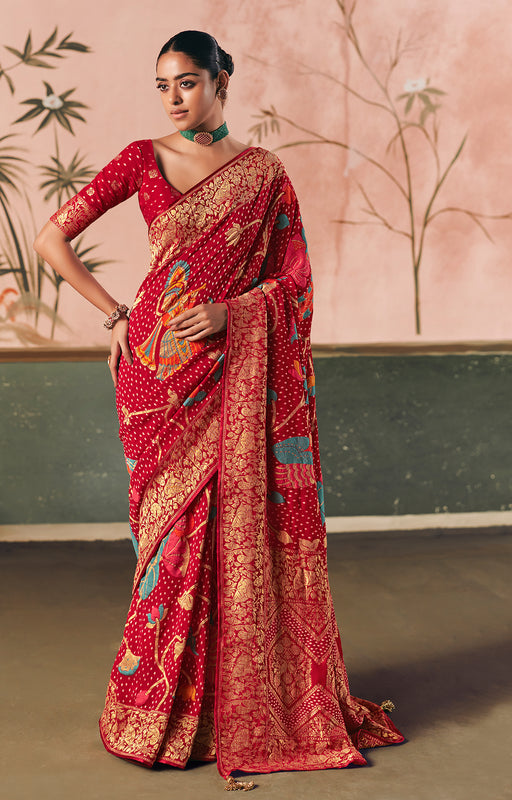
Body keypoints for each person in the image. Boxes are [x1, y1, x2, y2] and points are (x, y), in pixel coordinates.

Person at [34, 29, 404, 787]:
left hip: (232, 371)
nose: (174, 97)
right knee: (165, 546)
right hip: (153, 378)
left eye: (189, 82)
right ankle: (160, 710)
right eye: (163, 85)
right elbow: (52, 238)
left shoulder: (264, 177)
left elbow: (295, 283)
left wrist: (237, 313)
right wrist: (115, 317)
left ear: (223, 81)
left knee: (232, 538)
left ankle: (225, 709)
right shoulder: (142, 159)